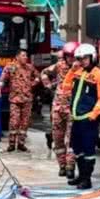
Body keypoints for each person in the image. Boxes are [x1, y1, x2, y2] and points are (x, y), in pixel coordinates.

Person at [61, 44, 100, 190]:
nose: (83, 61)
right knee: (77, 149)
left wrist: (93, 115)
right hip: (76, 118)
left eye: (85, 58)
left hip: (88, 119)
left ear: (92, 57)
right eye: (80, 58)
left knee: (88, 151)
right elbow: (65, 88)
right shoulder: (78, 72)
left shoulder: (99, 75)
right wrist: (71, 71)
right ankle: (80, 176)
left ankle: (87, 179)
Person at [41, 41, 77, 178]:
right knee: (58, 138)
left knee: (71, 139)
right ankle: (62, 166)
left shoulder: (81, 69)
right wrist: (49, 86)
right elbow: (44, 72)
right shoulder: (59, 65)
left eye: (73, 56)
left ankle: (70, 166)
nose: (70, 59)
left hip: (72, 109)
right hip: (57, 108)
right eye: (68, 56)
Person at [0, 49, 39, 152]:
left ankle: (21, 143)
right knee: (14, 122)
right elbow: (2, 80)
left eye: (26, 56)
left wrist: (32, 84)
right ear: (17, 57)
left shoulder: (30, 67)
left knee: (25, 122)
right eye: (23, 55)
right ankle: (11, 144)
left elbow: (38, 76)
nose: (25, 57)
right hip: (15, 99)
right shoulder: (10, 67)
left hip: (27, 99)